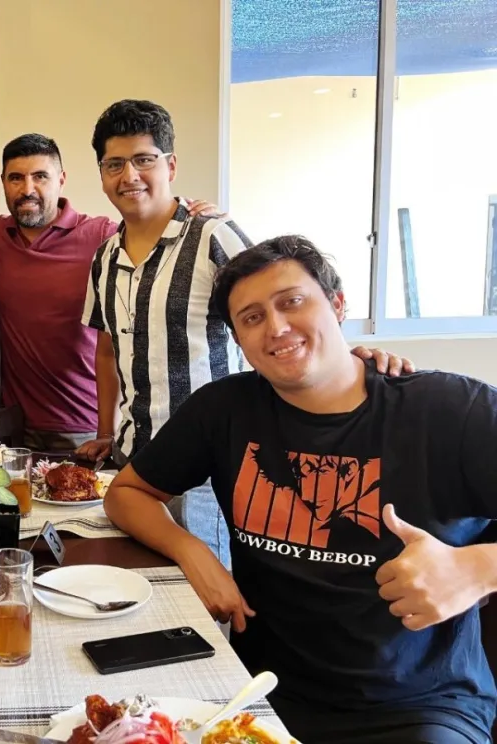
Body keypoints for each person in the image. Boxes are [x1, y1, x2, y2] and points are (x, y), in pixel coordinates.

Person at [104, 235, 497, 744]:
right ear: (239, 343)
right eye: (251, 318)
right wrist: (192, 551)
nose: (277, 328)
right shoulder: (225, 409)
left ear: (336, 304)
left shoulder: (451, 411)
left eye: (292, 302)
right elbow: (126, 493)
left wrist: (477, 568)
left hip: (420, 709)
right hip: (261, 695)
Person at [78, 99, 409, 566]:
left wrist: (347, 358)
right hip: (133, 463)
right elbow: (108, 347)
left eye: (143, 160)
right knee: (144, 593)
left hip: (210, 467)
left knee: (210, 600)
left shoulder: (215, 235)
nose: (129, 175)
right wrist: (106, 431)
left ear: (170, 165)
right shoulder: (105, 256)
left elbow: (282, 310)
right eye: (114, 164)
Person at [0, 132, 223, 451]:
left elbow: (154, 235)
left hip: (87, 427)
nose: (27, 189)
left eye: (40, 177)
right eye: (15, 178)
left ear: (61, 179)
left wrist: (187, 211)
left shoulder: (101, 236)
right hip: (14, 429)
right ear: (3, 182)